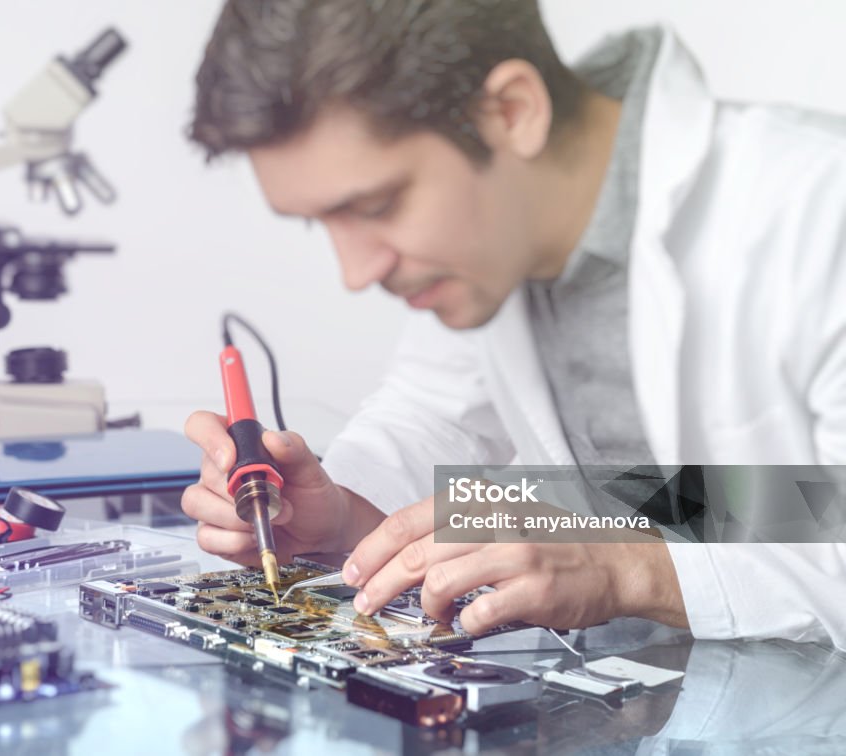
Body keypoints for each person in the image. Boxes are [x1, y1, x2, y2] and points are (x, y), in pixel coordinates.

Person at [180, 0, 846, 647]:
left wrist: (624, 568)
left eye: (378, 204)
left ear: (512, 112)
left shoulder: (820, 210)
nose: (355, 271)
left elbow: (820, 515)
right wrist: (339, 512)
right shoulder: (493, 249)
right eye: (317, 221)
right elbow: (431, 414)